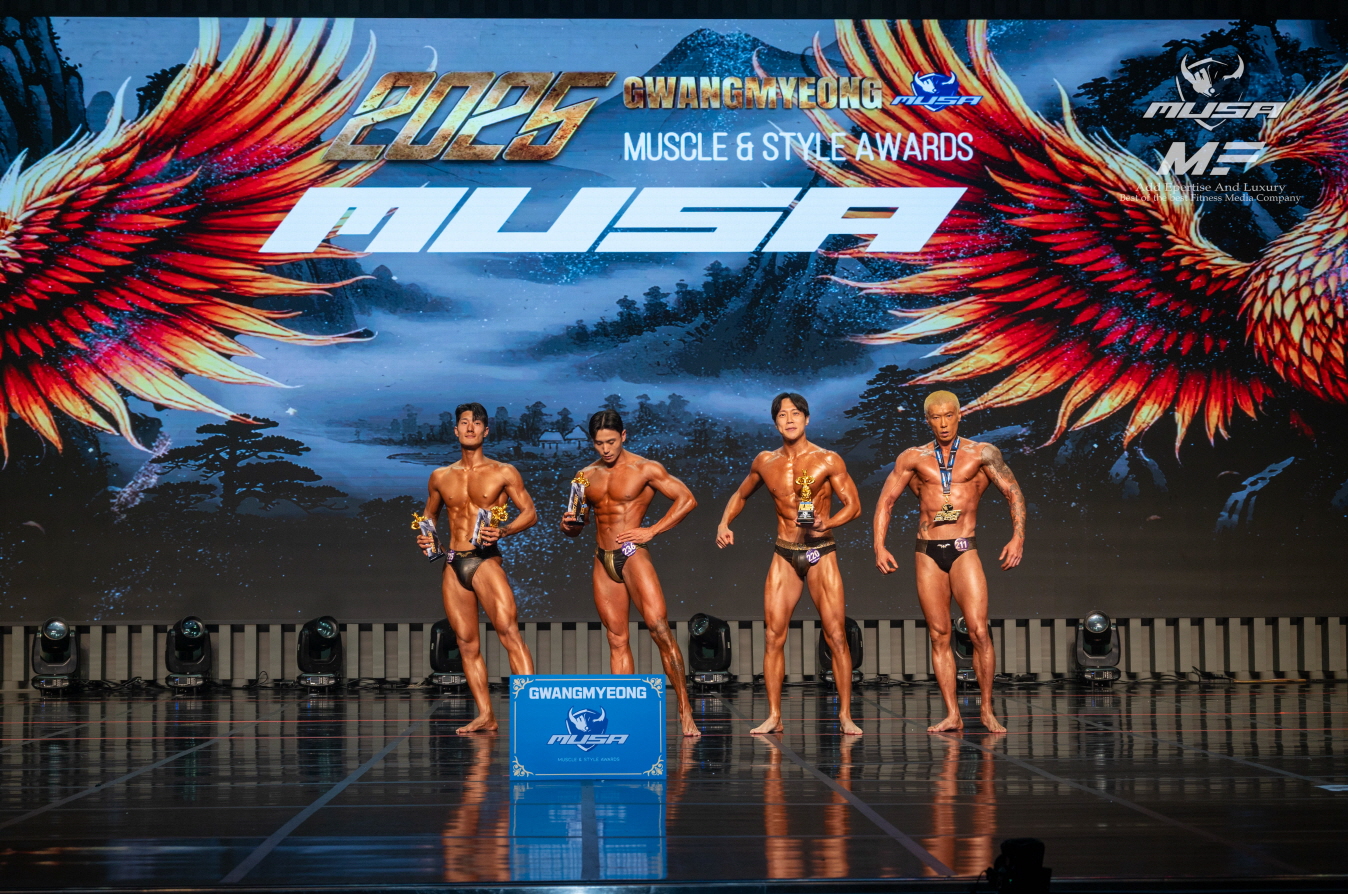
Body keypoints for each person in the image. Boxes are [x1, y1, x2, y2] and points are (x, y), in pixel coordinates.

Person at [872, 390, 1026, 733]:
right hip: (927, 550)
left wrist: (1018, 537)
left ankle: (986, 710)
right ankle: (953, 714)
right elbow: (886, 501)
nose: (943, 423)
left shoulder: (982, 453)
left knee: (978, 630)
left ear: (959, 415)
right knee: (939, 634)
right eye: (936, 417)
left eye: (948, 416)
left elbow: (1013, 492)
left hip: (963, 546)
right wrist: (879, 546)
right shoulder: (912, 457)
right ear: (928, 420)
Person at [716, 393, 863, 736]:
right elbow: (741, 494)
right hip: (784, 552)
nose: (790, 419)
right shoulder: (765, 461)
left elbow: (854, 506)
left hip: (820, 551)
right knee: (773, 636)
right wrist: (724, 522)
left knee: (836, 635)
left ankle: (845, 715)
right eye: (782, 415)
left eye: (795, 413)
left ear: (806, 419)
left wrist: (829, 523)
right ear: (776, 423)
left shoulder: (828, 459)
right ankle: (774, 716)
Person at [560, 410, 701, 738]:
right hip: (602, 559)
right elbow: (576, 527)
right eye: (599, 443)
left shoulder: (645, 468)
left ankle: (685, 709)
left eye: (611, 441)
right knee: (616, 639)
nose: (606, 449)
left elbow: (687, 499)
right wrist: (568, 526)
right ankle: (623, 716)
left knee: (659, 629)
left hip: (632, 554)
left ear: (623, 436)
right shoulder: (584, 476)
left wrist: (652, 530)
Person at [416, 402, 536, 733]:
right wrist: (428, 538)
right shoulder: (440, 476)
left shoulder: (503, 472)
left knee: (509, 633)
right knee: (467, 644)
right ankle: (486, 715)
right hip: (453, 564)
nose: (470, 428)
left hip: (485, 560)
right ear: (455, 430)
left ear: (486, 430)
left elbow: (530, 513)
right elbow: (429, 514)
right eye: (465, 422)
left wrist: (505, 530)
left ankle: (532, 714)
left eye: (477, 423)